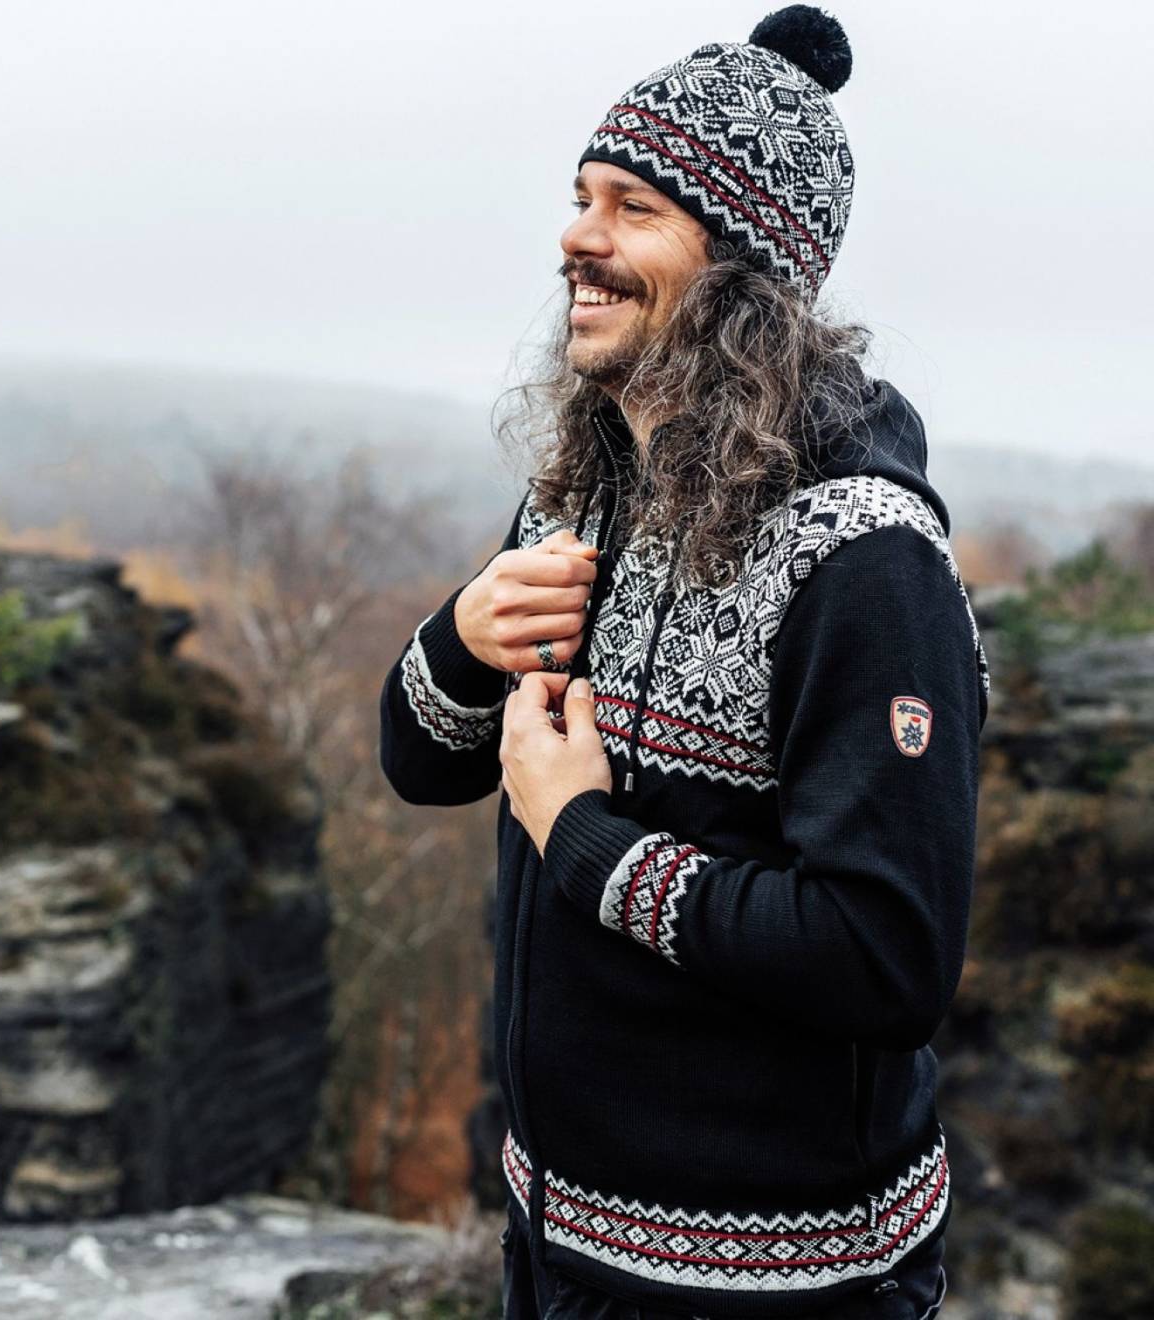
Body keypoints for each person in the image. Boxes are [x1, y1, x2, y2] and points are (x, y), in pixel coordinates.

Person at [378, 7, 982, 1319]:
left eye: (633, 207)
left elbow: (885, 957)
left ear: (745, 272)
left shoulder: (865, 558)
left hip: (774, 1284)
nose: (577, 238)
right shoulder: (584, 490)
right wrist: (462, 639)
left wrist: (582, 837)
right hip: (556, 1243)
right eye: (580, 198)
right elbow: (420, 764)